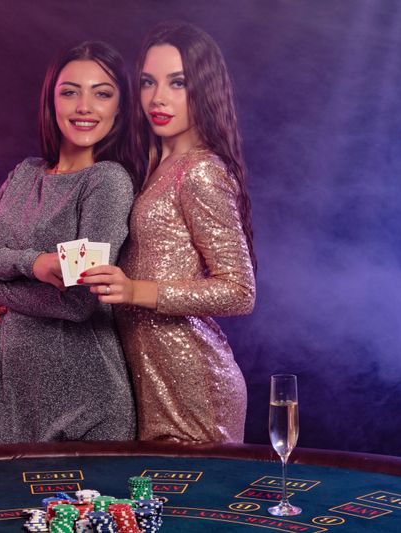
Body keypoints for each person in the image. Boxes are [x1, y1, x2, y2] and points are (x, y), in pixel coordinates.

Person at [0, 41, 137, 445]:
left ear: (119, 108)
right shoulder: (25, 173)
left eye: (102, 94)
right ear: (52, 101)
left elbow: (79, 302)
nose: (84, 106)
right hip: (8, 386)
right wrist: (33, 264)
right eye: (70, 92)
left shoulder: (107, 181)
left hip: (84, 394)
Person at [79, 22, 257, 443]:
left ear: (205, 88)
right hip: (148, 379)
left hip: (192, 387)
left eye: (177, 83)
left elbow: (240, 291)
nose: (158, 98)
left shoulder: (201, 171)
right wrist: (12, 293)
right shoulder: (152, 165)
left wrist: (134, 290)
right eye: (148, 82)